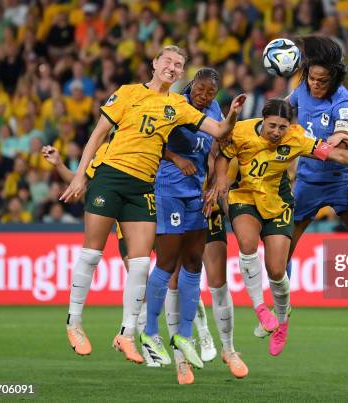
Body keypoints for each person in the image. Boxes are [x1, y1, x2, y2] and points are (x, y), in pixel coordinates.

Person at [61, 45, 245, 366]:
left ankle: (127, 335)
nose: (173, 68)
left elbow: (218, 131)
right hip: (111, 177)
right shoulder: (128, 93)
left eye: (179, 64)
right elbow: (98, 134)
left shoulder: (178, 105)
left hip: (143, 186)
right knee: (92, 254)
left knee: (142, 264)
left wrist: (231, 115)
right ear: (155, 63)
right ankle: (74, 323)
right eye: (168, 62)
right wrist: (79, 175)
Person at [208, 98, 348, 357]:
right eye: (272, 126)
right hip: (245, 197)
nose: (276, 132)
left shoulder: (296, 138)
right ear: (263, 119)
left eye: (282, 127)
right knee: (247, 244)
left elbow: (336, 154)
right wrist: (222, 180)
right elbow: (223, 156)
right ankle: (260, 309)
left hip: (278, 203)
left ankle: (282, 321)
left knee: (277, 270)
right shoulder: (242, 130)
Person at [139, 67, 247, 384]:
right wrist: (175, 159)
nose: (204, 97)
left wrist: (215, 182)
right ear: (190, 87)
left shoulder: (213, 110)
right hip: (169, 189)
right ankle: (148, 333)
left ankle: (188, 336)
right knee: (168, 263)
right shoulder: (174, 103)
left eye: (210, 93)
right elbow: (151, 140)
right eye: (199, 90)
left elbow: (219, 145)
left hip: (197, 194)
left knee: (193, 263)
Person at [251, 35, 348, 337]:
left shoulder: (343, 99)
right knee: (283, 248)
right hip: (308, 182)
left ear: (333, 79)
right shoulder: (301, 91)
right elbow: (282, 113)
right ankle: (279, 311)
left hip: (340, 182)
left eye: (321, 81)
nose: (315, 84)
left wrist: (337, 137)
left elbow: (344, 127)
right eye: (311, 78)